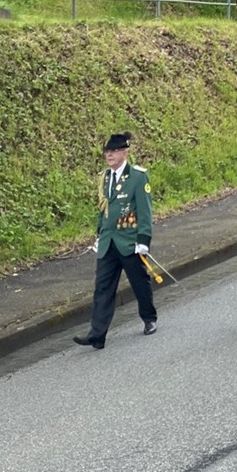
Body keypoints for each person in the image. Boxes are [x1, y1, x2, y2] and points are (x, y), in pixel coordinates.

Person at [74, 132, 157, 349]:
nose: (109, 155)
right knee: (102, 287)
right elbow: (103, 209)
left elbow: (145, 211)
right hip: (109, 241)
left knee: (139, 282)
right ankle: (97, 334)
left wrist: (143, 239)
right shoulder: (105, 177)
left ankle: (149, 318)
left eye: (114, 151)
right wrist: (99, 233)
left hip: (129, 240)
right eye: (107, 152)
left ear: (125, 152)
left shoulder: (138, 177)